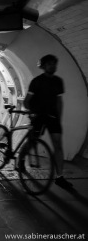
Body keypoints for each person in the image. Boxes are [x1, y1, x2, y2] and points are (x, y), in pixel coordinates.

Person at [23, 54, 73, 189]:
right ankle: (21, 158)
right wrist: (32, 112)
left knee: (58, 145)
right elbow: (26, 102)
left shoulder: (58, 81)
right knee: (32, 140)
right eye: (50, 64)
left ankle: (60, 177)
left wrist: (59, 118)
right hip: (38, 115)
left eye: (54, 64)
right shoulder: (37, 81)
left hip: (52, 117)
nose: (53, 66)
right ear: (43, 66)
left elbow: (59, 101)